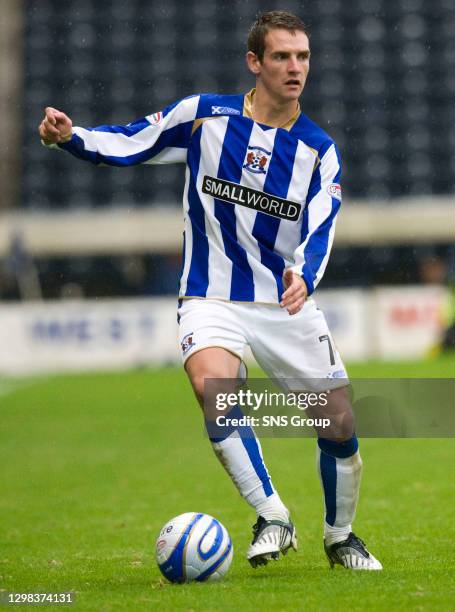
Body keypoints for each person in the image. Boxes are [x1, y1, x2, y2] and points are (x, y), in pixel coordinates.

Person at [39, 10, 382, 571]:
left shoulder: (320, 150)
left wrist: (303, 273)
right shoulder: (203, 116)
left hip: (282, 298)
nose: (295, 67)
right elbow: (133, 142)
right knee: (212, 387)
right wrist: (71, 137)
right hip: (209, 293)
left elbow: (323, 222)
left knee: (340, 424)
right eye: (281, 56)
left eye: (303, 57)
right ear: (255, 62)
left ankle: (340, 536)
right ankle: (273, 515)